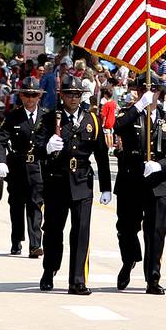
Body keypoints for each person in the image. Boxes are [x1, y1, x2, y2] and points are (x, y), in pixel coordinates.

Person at [35, 78, 111, 295]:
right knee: (52, 231)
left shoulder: (92, 120)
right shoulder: (51, 119)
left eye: (77, 94)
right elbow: (36, 148)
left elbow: (102, 156)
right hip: (56, 181)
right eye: (69, 94)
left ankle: (77, 280)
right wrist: (47, 147)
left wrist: (106, 187)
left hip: (81, 182)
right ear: (62, 95)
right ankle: (49, 270)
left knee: (81, 232)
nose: (74, 98)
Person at [111, 82, 166, 294]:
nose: (150, 95)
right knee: (126, 228)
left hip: (157, 183)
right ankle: (129, 259)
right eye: (145, 91)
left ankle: (153, 277)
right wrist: (138, 107)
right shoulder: (130, 114)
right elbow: (117, 127)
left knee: (155, 232)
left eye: (154, 91)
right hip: (131, 180)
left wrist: (160, 165)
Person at [0, 86, 46, 256]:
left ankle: (35, 244)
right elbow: (1, 141)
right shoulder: (13, 117)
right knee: (16, 206)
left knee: (35, 204)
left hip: (37, 167)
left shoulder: (47, 117)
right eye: (27, 95)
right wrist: (0, 161)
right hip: (17, 167)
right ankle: (16, 240)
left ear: (39, 96)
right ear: (21, 96)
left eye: (34, 95)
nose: (30, 99)